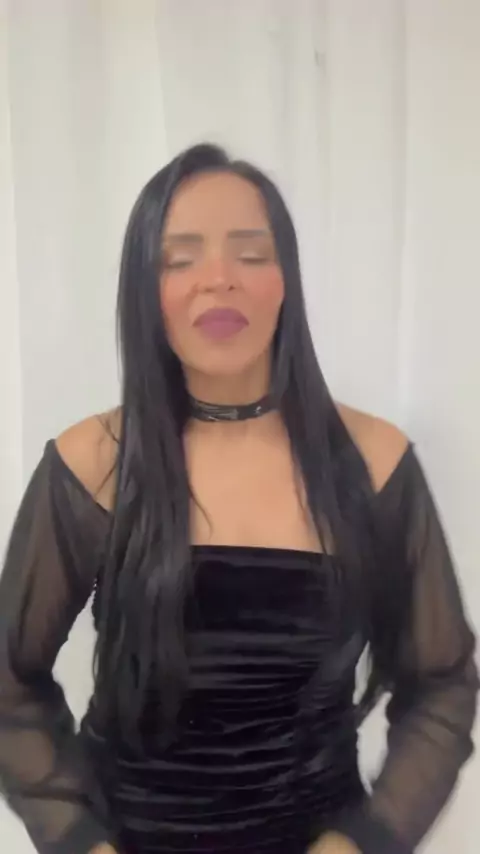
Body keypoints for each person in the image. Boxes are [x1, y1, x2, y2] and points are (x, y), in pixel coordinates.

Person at [0, 143, 477, 854]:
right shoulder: (93, 463)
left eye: (251, 254)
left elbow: (442, 684)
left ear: (286, 281)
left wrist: (364, 841)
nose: (218, 279)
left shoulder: (374, 462)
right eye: (179, 259)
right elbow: (9, 683)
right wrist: (79, 842)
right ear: (145, 291)